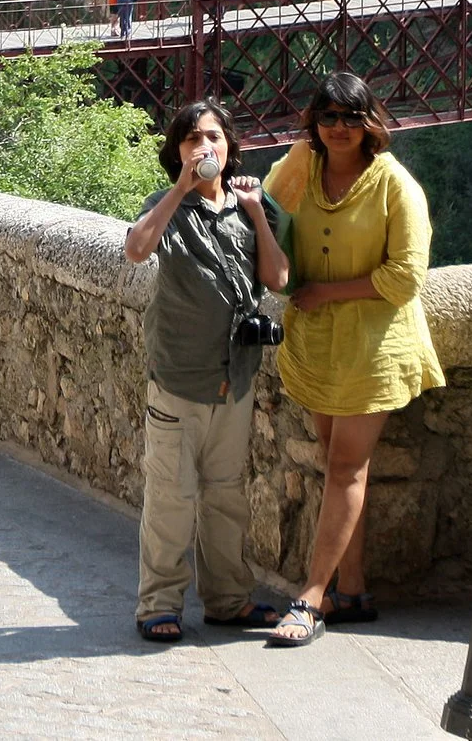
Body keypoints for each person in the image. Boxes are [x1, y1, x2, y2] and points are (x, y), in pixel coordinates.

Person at [260, 72, 442, 648]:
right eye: (327, 117)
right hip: (318, 346)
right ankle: (353, 590)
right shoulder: (306, 171)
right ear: (314, 122)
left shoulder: (395, 185)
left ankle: (312, 596)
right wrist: (299, 146)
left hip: (373, 346)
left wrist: (328, 293)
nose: (339, 128)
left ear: (371, 123)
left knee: (344, 469)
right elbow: (266, 202)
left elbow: (406, 277)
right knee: (337, 465)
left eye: (350, 117)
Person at [124, 100, 290, 643]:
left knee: (226, 493)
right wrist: (179, 188)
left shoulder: (251, 206)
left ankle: (228, 600)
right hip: (179, 376)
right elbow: (135, 250)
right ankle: (158, 604)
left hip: (234, 376)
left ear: (230, 145)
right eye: (192, 139)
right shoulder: (168, 207)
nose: (205, 148)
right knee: (172, 495)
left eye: (213, 137)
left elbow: (277, 277)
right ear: (177, 151)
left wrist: (257, 210)